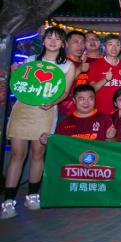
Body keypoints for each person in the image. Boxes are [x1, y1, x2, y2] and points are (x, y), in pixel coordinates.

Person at [2, 27, 76, 219]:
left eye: (57, 39)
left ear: (63, 44)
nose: (53, 41)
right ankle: (8, 201)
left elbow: (65, 92)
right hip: (23, 109)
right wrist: (15, 72)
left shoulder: (67, 66)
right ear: (43, 41)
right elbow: (19, 83)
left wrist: (52, 102)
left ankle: (33, 195)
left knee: (38, 153)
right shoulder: (31, 61)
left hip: (46, 111)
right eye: (49, 37)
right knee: (17, 154)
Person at [46, 85, 116, 141]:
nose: (86, 102)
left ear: (95, 99)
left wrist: (111, 138)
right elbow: (57, 144)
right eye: (82, 99)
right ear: (74, 100)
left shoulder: (105, 119)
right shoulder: (65, 123)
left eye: (90, 98)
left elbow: (113, 146)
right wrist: (48, 139)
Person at [88, 34, 121, 115]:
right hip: (101, 112)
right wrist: (105, 80)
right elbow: (92, 90)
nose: (114, 48)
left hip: (120, 112)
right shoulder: (95, 65)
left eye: (117, 45)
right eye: (110, 44)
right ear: (104, 47)